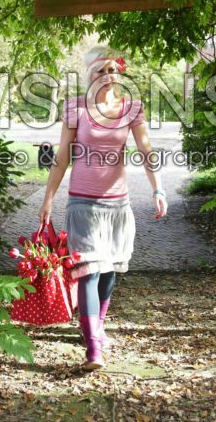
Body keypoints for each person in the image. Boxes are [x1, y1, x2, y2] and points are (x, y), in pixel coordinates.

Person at [38, 45, 168, 370]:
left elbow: (146, 150)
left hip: (117, 206)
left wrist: (158, 189)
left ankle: (96, 322)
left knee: (109, 273)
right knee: (89, 272)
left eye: (112, 70)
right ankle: (93, 346)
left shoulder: (131, 108)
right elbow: (62, 157)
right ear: (89, 76)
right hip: (82, 203)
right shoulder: (76, 108)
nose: (108, 76)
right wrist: (48, 199)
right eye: (100, 71)